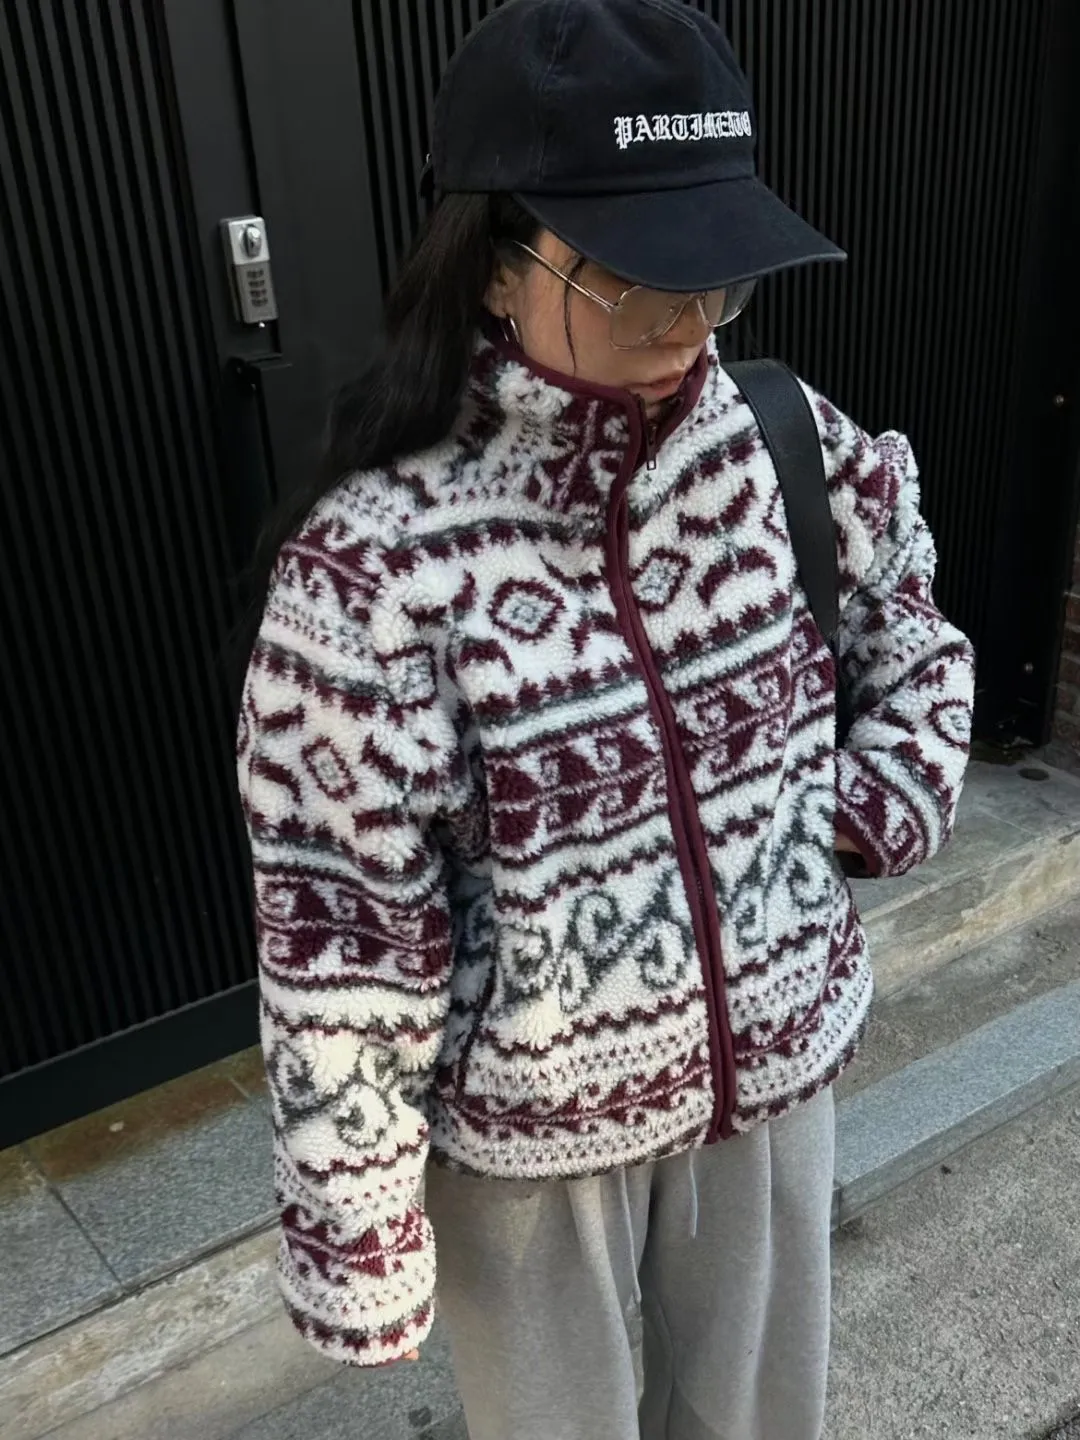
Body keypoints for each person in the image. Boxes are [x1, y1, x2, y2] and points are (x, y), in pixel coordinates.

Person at [236, 2, 975, 1436]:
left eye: (716, 277)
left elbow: (915, 634)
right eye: (640, 279)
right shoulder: (375, 570)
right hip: (532, 1154)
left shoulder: (784, 443)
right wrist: (360, 1228)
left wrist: (870, 803)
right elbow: (341, 935)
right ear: (495, 263)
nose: (689, 323)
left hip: (774, 1088)